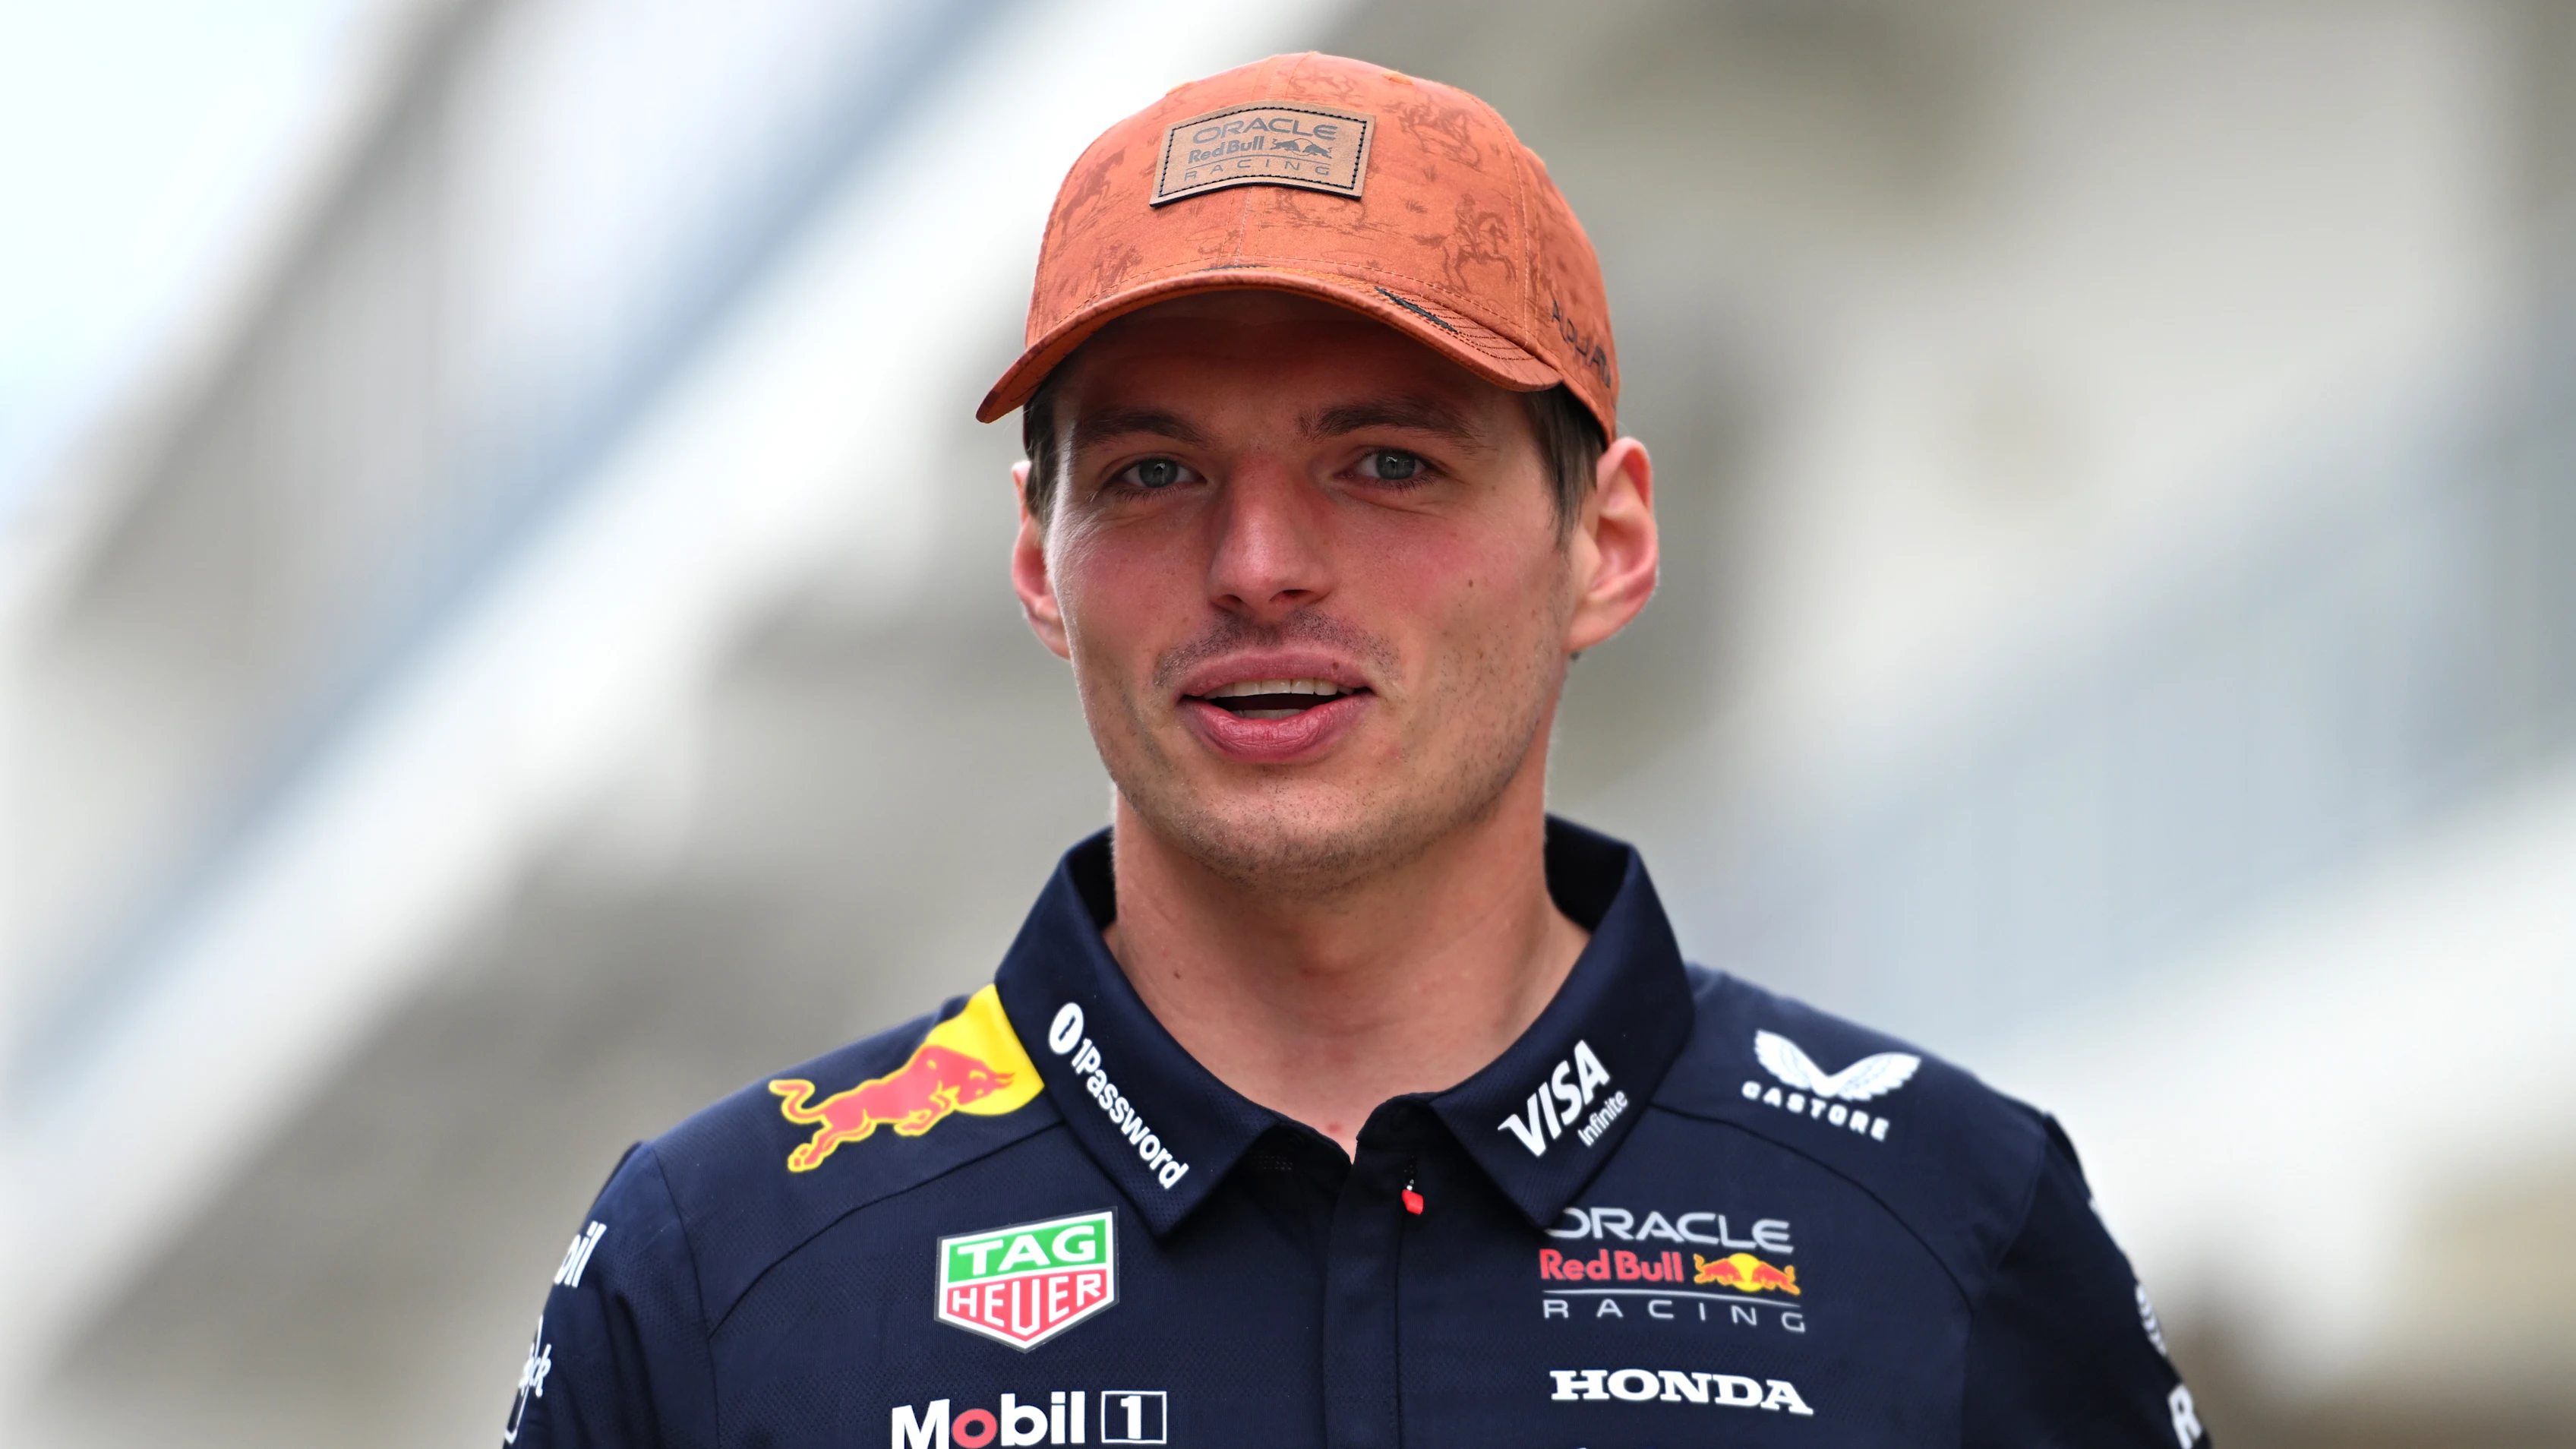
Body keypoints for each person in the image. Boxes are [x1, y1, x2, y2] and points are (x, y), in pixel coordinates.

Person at [503, 52, 2207, 1449]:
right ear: (1038, 562)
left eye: (1387, 463)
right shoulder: (723, 1264)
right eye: (1155, 475)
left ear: (1606, 543)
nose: (1259, 566)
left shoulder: (1948, 1218)